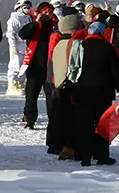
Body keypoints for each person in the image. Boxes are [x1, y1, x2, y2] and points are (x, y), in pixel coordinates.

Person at [72, 21, 119, 166]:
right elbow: (116, 72)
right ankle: (101, 154)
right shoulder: (107, 48)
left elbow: (73, 68)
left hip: (83, 89)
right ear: (103, 32)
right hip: (103, 90)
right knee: (102, 123)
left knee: (84, 122)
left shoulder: (80, 46)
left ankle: (84, 155)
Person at [46, 13, 82, 158]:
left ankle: (54, 144)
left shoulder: (58, 44)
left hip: (58, 83)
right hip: (71, 84)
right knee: (70, 116)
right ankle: (69, 145)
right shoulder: (76, 44)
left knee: (57, 115)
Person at [19, 2, 57, 129]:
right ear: (40, 12)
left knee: (51, 96)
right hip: (35, 65)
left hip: (49, 66)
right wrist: (36, 23)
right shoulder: (34, 25)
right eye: (46, 12)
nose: (48, 15)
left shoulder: (54, 26)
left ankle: (53, 120)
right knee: (31, 94)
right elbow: (22, 34)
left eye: (50, 13)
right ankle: (30, 119)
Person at [6, 0, 33, 96]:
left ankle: (20, 84)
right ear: (18, 8)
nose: (27, 9)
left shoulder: (28, 18)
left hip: (25, 45)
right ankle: (12, 85)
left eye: (29, 7)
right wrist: (13, 47)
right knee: (15, 65)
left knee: (23, 66)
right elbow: (10, 34)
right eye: (25, 7)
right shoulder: (14, 19)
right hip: (17, 45)